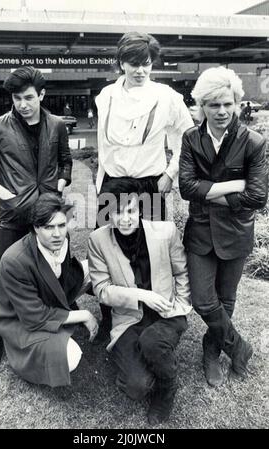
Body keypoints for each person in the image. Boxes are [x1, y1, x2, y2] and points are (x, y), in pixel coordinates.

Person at [0, 66, 72, 373]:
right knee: (6, 277)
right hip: (14, 217)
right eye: (17, 98)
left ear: (42, 94)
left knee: (53, 271)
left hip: (48, 214)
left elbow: (65, 162)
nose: (23, 104)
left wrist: (60, 186)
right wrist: (5, 193)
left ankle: (47, 323)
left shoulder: (57, 125)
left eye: (29, 97)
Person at [94, 31, 193, 341]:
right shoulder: (106, 95)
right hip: (113, 185)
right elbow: (103, 146)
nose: (140, 70)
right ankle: (113, 319)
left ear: (153, 64)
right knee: (111, 251)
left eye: (146, 64)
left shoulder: (167, 97)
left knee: (150, 252)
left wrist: (171, 173)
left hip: (150, 184)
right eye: (133, 63)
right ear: (121, 63)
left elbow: (187, 138)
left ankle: (153, 317)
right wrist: (102, 184)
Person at [179, 66, 268, 388]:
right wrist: (234, 186)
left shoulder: (253, 142)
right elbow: (187, 189)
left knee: (226, 299)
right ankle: (239, 347)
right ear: (202, 105)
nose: (221, 111)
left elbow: (257, 197)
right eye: (213, 104)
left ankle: (211, 351)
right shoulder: (191, 138)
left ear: (237, 104)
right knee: (203, 300)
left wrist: (209, 191)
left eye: (227, 104)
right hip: (200, 232)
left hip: (236, 232)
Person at [88, 178, 192, 425]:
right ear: (107, 212)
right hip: (128, 319)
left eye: (131, 211)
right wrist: (143, 295)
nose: (125, 219)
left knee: (152, 341)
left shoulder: (165, 232)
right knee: (136, 388)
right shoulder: (97, 240)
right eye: (117, 212)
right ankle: (149, 358)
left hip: (166, 314)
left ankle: (168, 386)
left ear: (140, 208)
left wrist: (180, 307)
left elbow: (181, 273)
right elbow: (101, 290)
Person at [0, 193, 98, 387]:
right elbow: (34, 317)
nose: (57, 234)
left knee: (99, 268)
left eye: (61, 225)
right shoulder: (15, 261)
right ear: (35, 228)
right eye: (48, 227)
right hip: (22, 319)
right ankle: (23, 354)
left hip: (51, 297)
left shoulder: (62, 239)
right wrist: (83, 314)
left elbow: (61, 276)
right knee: (70, 356)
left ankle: (118, 327)